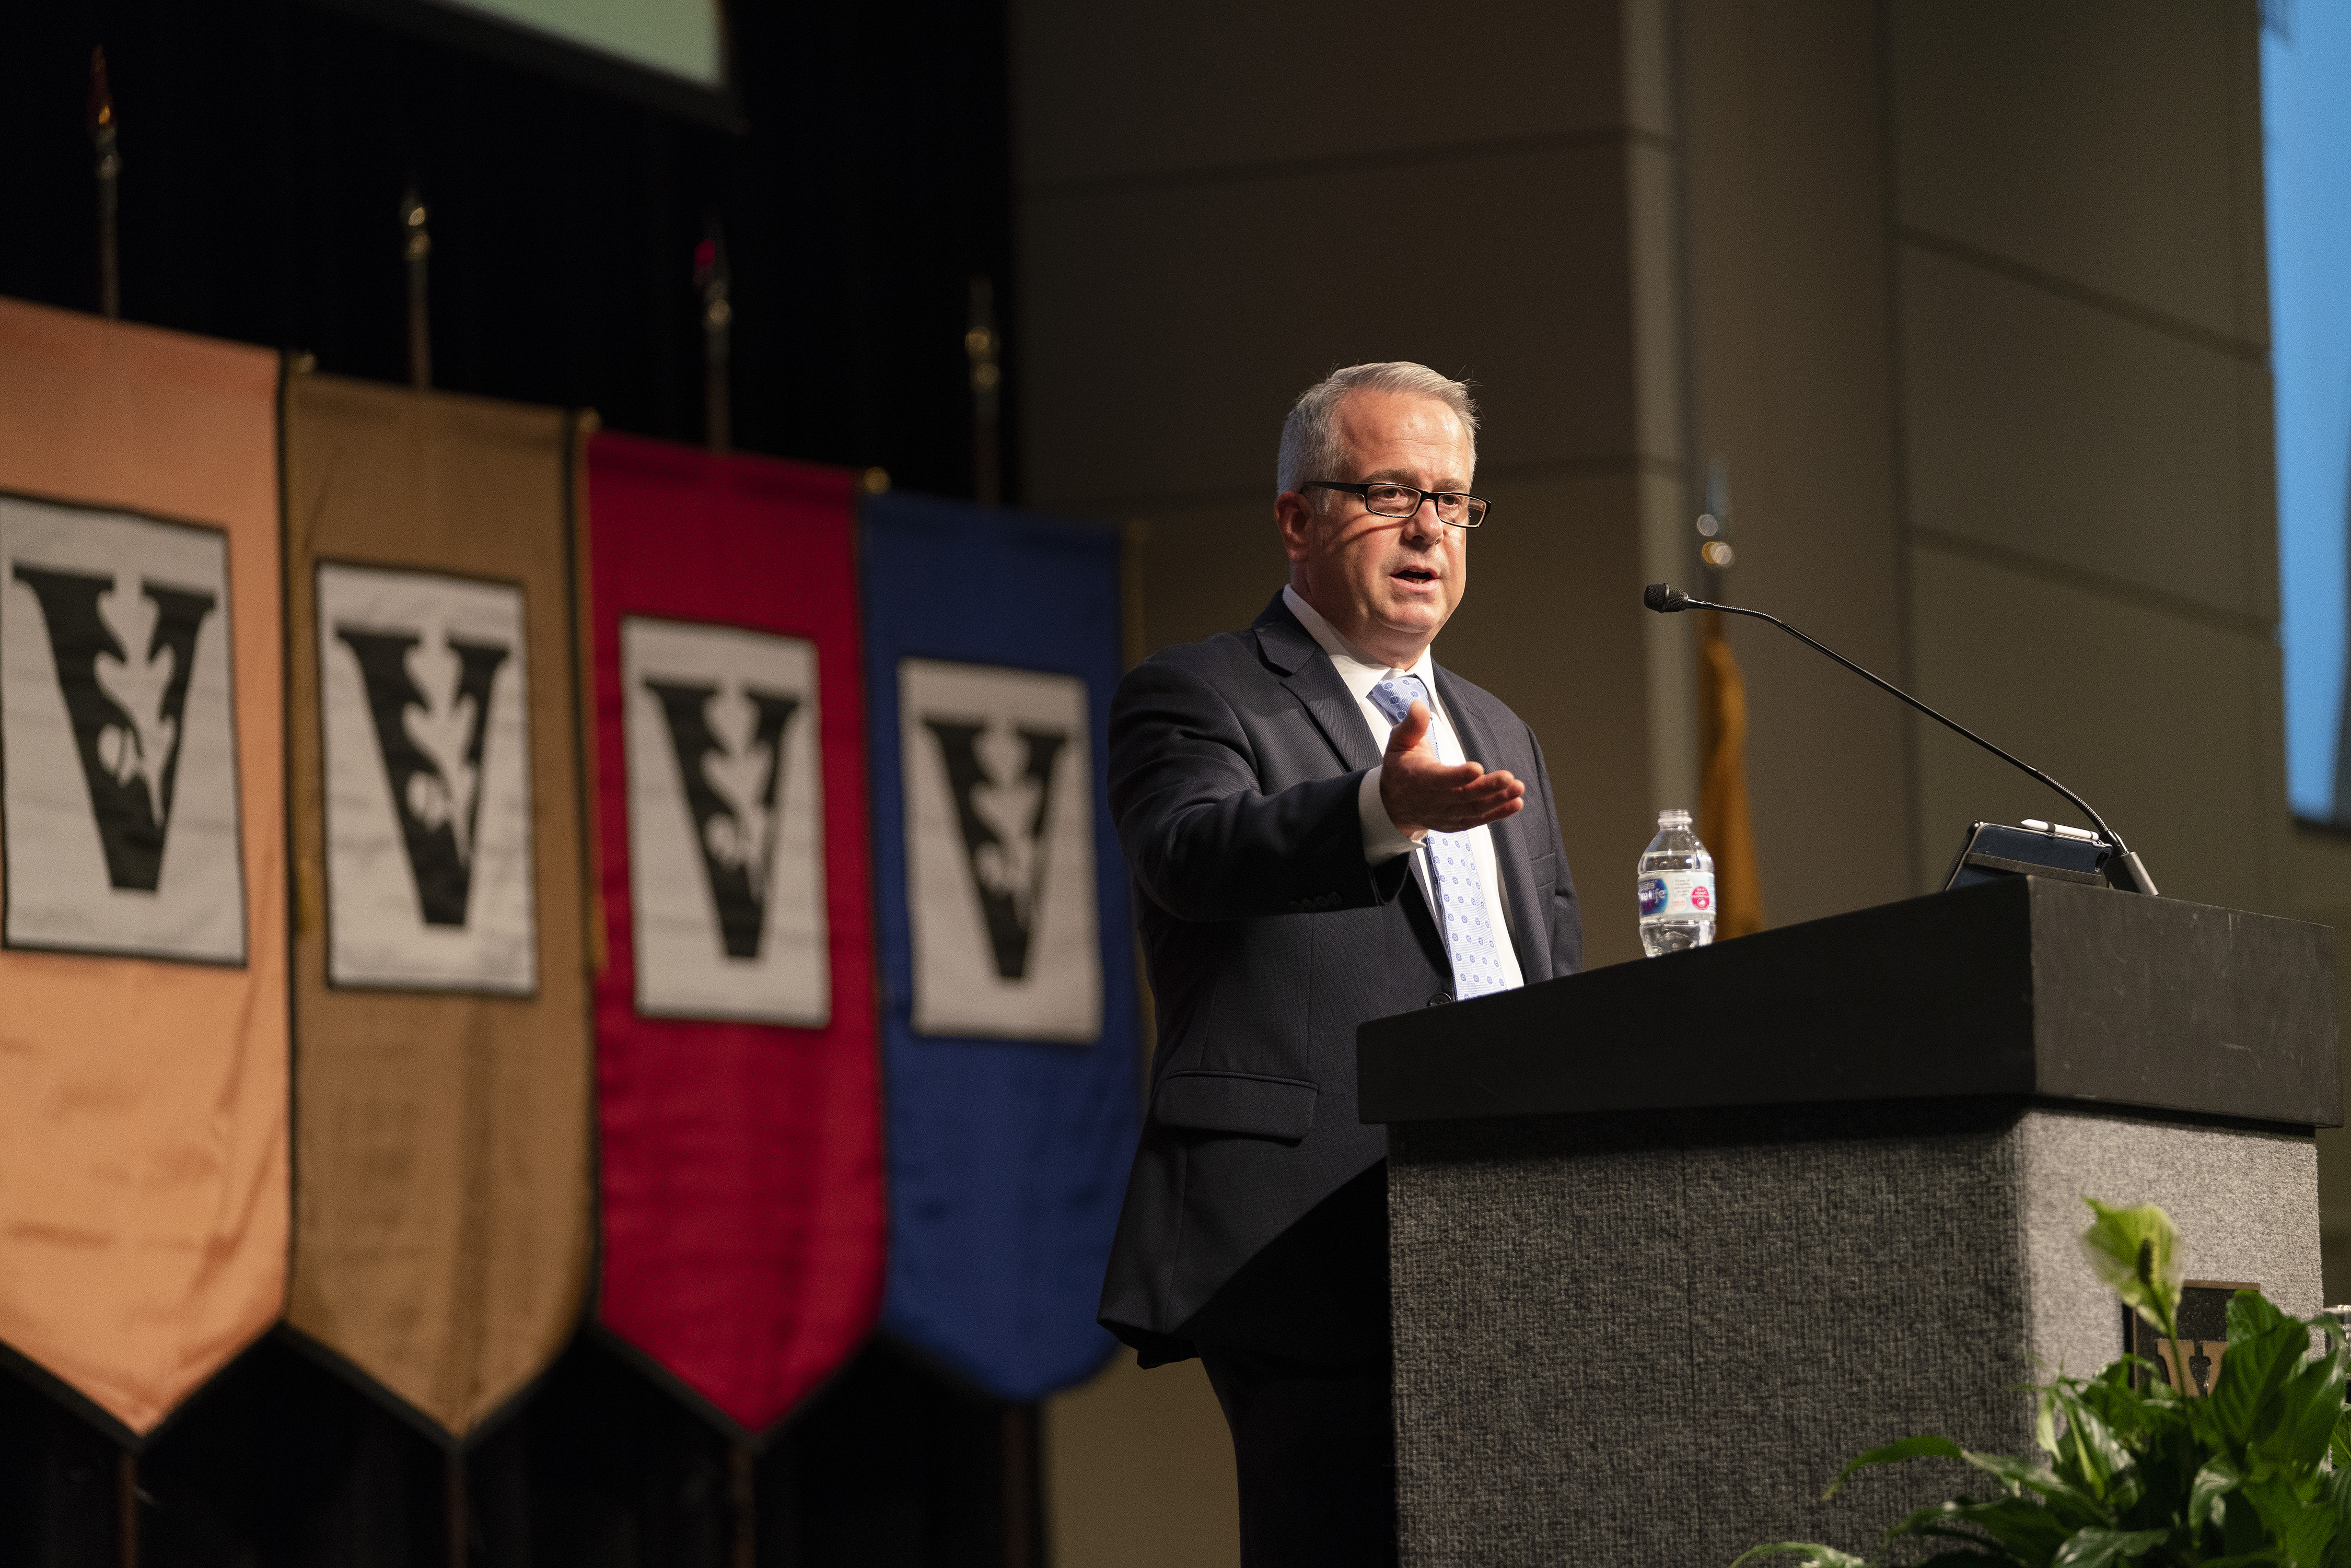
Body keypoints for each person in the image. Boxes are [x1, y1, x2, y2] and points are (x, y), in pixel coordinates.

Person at [1098, 361, 1583, 1565]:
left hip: (1504, 1237)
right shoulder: (1198, 693)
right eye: (1389, 492)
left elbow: (1550, 971)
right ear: (1296, 518)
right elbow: (1191, 853)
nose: (1429, 528)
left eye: (1452, 500)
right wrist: (1379, 806)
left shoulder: (1501, 728)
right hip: (1307, 1237)